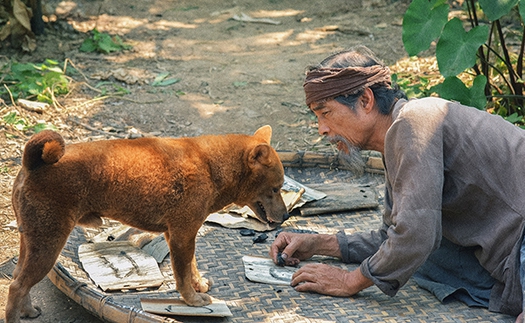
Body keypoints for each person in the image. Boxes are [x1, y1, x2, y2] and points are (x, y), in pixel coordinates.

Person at [269, 45, 525, 322]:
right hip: (511, 253)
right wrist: (321, 244)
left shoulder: (414, 121)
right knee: (422, 260)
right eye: (317, 118)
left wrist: (349, 281)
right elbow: (394, 236)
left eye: (325, 113)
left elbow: (416, 234)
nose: (322, 129)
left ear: (365, 100)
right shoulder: (400, 136)